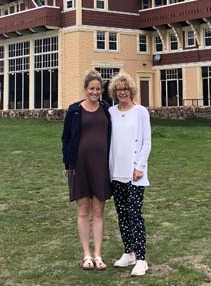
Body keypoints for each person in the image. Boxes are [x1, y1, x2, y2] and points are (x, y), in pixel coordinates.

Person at [61, 70, 113, 270]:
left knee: (99, 211)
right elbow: (66, 138)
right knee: (83, 211)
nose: (94, 92)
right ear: (85, 89)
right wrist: (68, 164)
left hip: (101, 166)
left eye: (98, 89)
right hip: (79, 166)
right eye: (91, 88)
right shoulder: (74, 110)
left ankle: (98, 255)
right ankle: (87, 255)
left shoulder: (107, 109)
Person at [107, 71, 152, 276]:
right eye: (118, 89)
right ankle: (129, 252)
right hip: (116, 172)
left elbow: (146, 142)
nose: (122, 92)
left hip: (134, 173)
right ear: (114, 92)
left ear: (131, 90)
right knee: (122, 215)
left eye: (125, 89)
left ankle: (141, 258)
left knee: (135, 215)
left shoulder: (141, 111)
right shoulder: (111, 112)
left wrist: (140, 166)